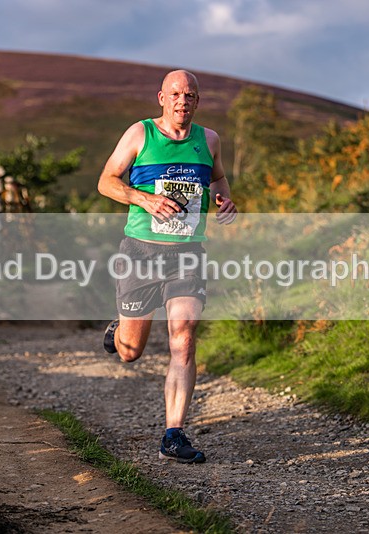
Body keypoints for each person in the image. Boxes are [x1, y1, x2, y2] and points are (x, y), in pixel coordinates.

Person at [97, 70, 237, 464]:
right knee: (130, 352)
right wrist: (145, 200)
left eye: (189, 95)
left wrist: (224, 200)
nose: (182, 101)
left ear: (197, 100)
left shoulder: (209, 140)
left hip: (188, 254)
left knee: (184, 335)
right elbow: (106, 182)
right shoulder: (140, 134)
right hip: (141, 251)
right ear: (161, 97)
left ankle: (173, 434)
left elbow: (220, 179)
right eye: (175, 94)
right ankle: (120, 325)